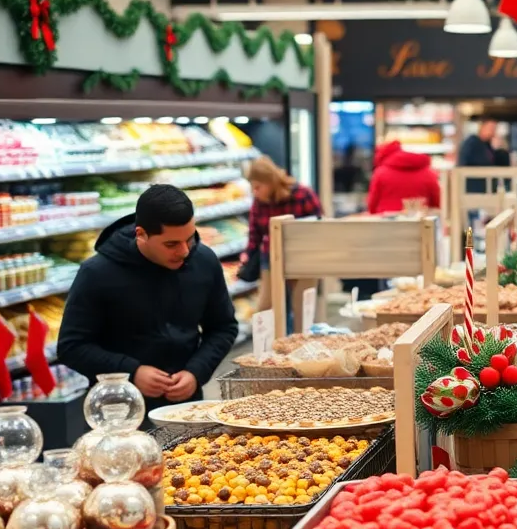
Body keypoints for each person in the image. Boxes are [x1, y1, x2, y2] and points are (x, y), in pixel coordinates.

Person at [59, 185, 237, 411]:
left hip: (186, 408)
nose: (184, 251)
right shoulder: (97, 273)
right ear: (141, 234)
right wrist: (131, 373)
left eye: (190, 239)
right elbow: (71, 346)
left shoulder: (204, 261)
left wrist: (196, 371)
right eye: (171, 244)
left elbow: (223, 327)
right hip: (117, 411)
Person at [239, 156, 322, 326]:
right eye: (252, 188)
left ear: (270, 181)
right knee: (266, 307)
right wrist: (248, 254)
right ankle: (270, 349)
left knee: (301, 308)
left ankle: (301, 347)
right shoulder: (259, 202)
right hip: (272, 256)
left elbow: (319, 225)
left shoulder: (302, 195)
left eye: (258, 187)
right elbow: (255, 233)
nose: (255, 192)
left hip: (304, 258)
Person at [366, 139, 442, 215]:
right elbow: (436, 202)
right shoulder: (428, 173)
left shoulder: (380, 173)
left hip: (385, 222)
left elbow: (372, 204)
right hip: (419, 223)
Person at [458, 118, 498, 195]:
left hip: (486, 190)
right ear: (482, 127)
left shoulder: (488, 146)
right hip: (473, 190)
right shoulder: (472, 143)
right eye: (491, 128)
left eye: (494, 129)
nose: (493, 132)